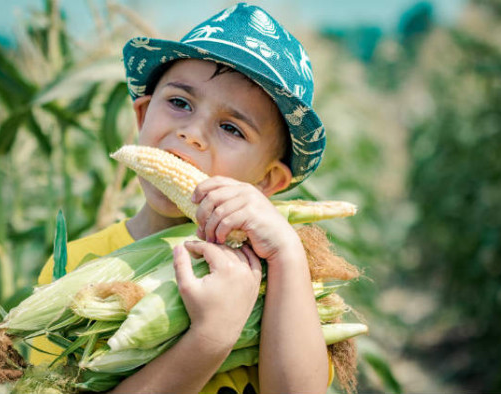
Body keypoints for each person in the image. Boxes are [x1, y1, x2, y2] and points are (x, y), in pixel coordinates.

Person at [31, 3, 330, 393]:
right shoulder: (73, 268)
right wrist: (211, 338)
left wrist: (289, 254)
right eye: (179, 103)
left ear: (267, 181)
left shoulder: (282, 281)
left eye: (231, 128)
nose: (192, 133)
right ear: (142, 116)